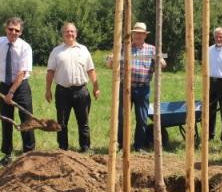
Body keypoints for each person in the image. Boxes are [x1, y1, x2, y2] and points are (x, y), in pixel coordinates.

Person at [0, 17, 35, 166]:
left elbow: (22, 72)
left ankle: (28, 154)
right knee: (6, 120)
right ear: (6, 29)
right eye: (11, 29)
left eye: (17, 30)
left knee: (26, 120)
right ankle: (7, 154)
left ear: (21, 32)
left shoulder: (25, 47)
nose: (13, 32)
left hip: (21, 87)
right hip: (4, 85)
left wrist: (11, 93)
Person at [106, 22, 166, 152]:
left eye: (141, 33)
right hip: (125, 88)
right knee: (121, 117)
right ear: (132, 34)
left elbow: (163, 63)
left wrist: (160, 61)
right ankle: (122, 145)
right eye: (136, 33)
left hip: (143, 89)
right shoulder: (123, 48)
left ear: (145, 35)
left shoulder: (151, 49)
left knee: (142, 118)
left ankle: (139, 145)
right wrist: (110, 59)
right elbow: (109, 64)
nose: (138, 35)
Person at [45, 22, 100, 153]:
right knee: (62, 123)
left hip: (81, 91)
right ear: (63, 34)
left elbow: (91, 70)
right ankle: (63, 149)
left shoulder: (84, 50)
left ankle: (85, 147)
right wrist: (48, 90)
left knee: (84, 122)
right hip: (63, 92)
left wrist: (96, 88)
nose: (70, 34)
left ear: (76, 33)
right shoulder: (56, 51)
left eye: (72, 31)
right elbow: (50, 72)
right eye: (67, 31)